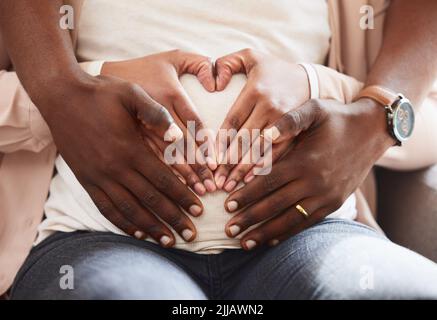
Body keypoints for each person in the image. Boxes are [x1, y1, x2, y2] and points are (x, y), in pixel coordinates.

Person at [1, 0, 437, 299]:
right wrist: (70, 97)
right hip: (96, 239)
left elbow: (418, 119)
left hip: (315, 235)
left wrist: (349, 108)